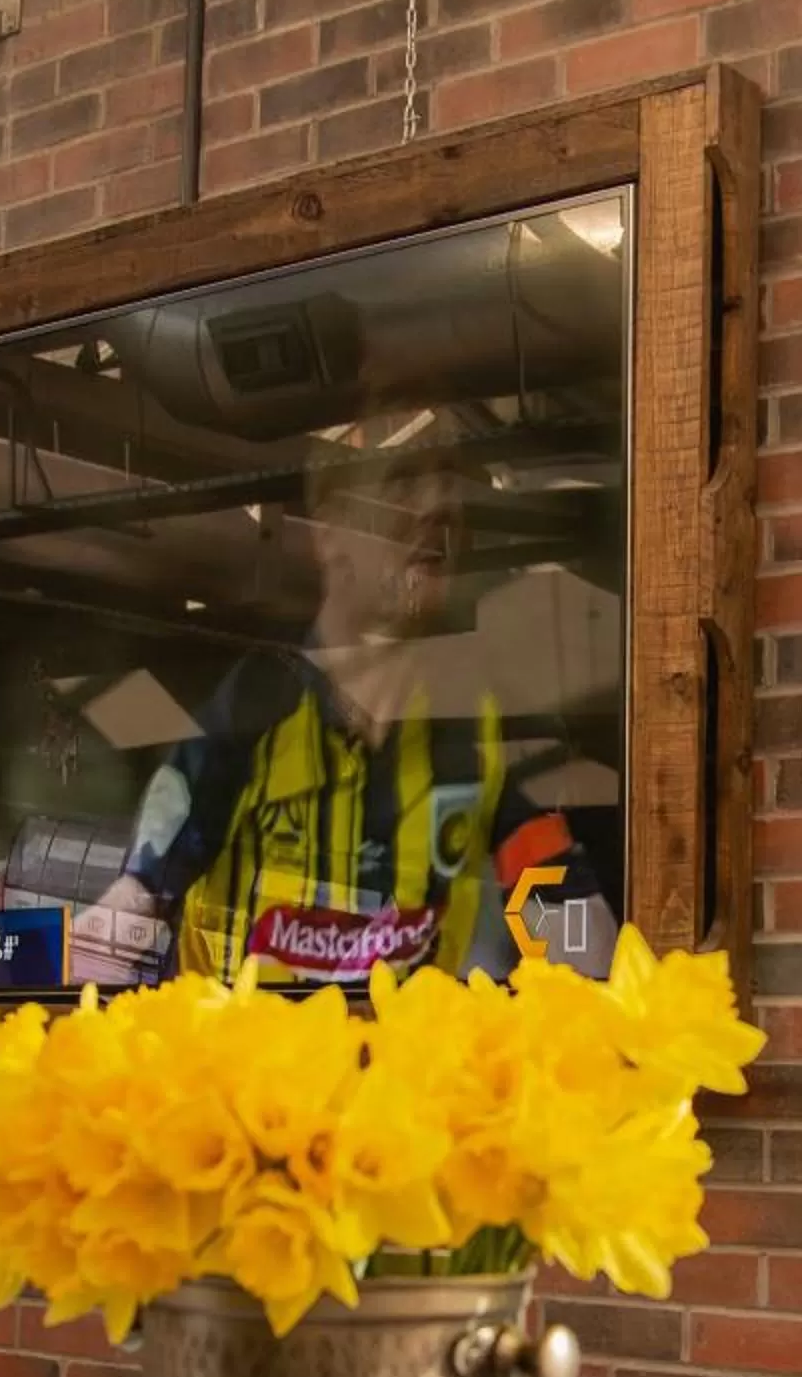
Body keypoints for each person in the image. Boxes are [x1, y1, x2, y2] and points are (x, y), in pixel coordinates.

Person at [90, 423, 612, 992]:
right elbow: (132, 905)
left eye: (448, 486)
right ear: (330, 532)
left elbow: (575, 933)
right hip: (246, 1075)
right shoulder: (256, 703)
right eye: (403, 483)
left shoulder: (481, 726)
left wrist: (595, 1026)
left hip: (395, 1075)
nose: (438, 505)